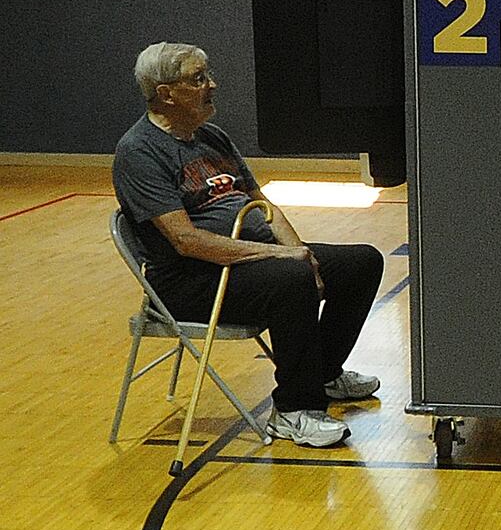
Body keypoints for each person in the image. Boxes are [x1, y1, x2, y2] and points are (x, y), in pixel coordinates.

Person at [112, 42, 385, 448]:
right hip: (194, 282)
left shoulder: (213, 138)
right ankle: (294, 410)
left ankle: (323, 374)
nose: (212, 85)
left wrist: (302, 254)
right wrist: (286, 258)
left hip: (250, 263)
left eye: (207, 75)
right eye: (198, 79)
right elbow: (186, 241)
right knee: (290, 278)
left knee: (361, 263)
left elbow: (264, 205)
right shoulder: (138, 152)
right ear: (166, 93)